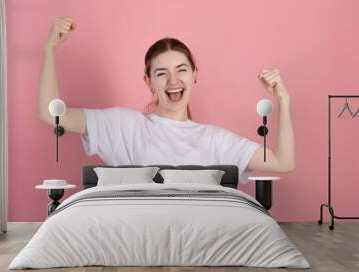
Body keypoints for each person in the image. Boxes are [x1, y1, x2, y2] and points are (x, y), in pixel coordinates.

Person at [38, 17, 295, 184]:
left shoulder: (217, 140)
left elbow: (283, 162)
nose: (173, 80)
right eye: (161, 73)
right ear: (148, 81)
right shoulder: (125, 125)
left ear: (195, 75)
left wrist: (283, 99)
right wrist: (50, 50)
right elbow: (52, 115)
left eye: (181, 70)